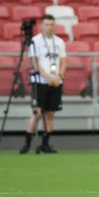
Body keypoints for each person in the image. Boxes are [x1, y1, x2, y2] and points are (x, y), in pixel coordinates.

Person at [20, 14, 66, 154]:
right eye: (46, 24)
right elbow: (35, 63)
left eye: (52, 25)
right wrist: (47, 77)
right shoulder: (35, 41)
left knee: (50, 113)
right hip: (40, 81)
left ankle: (45, 144)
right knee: (38, 112)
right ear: (42, 26)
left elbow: (63, 61)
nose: (49, 27)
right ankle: (27, 142)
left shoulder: (59, 42)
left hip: (56, 81)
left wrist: (59, 76)